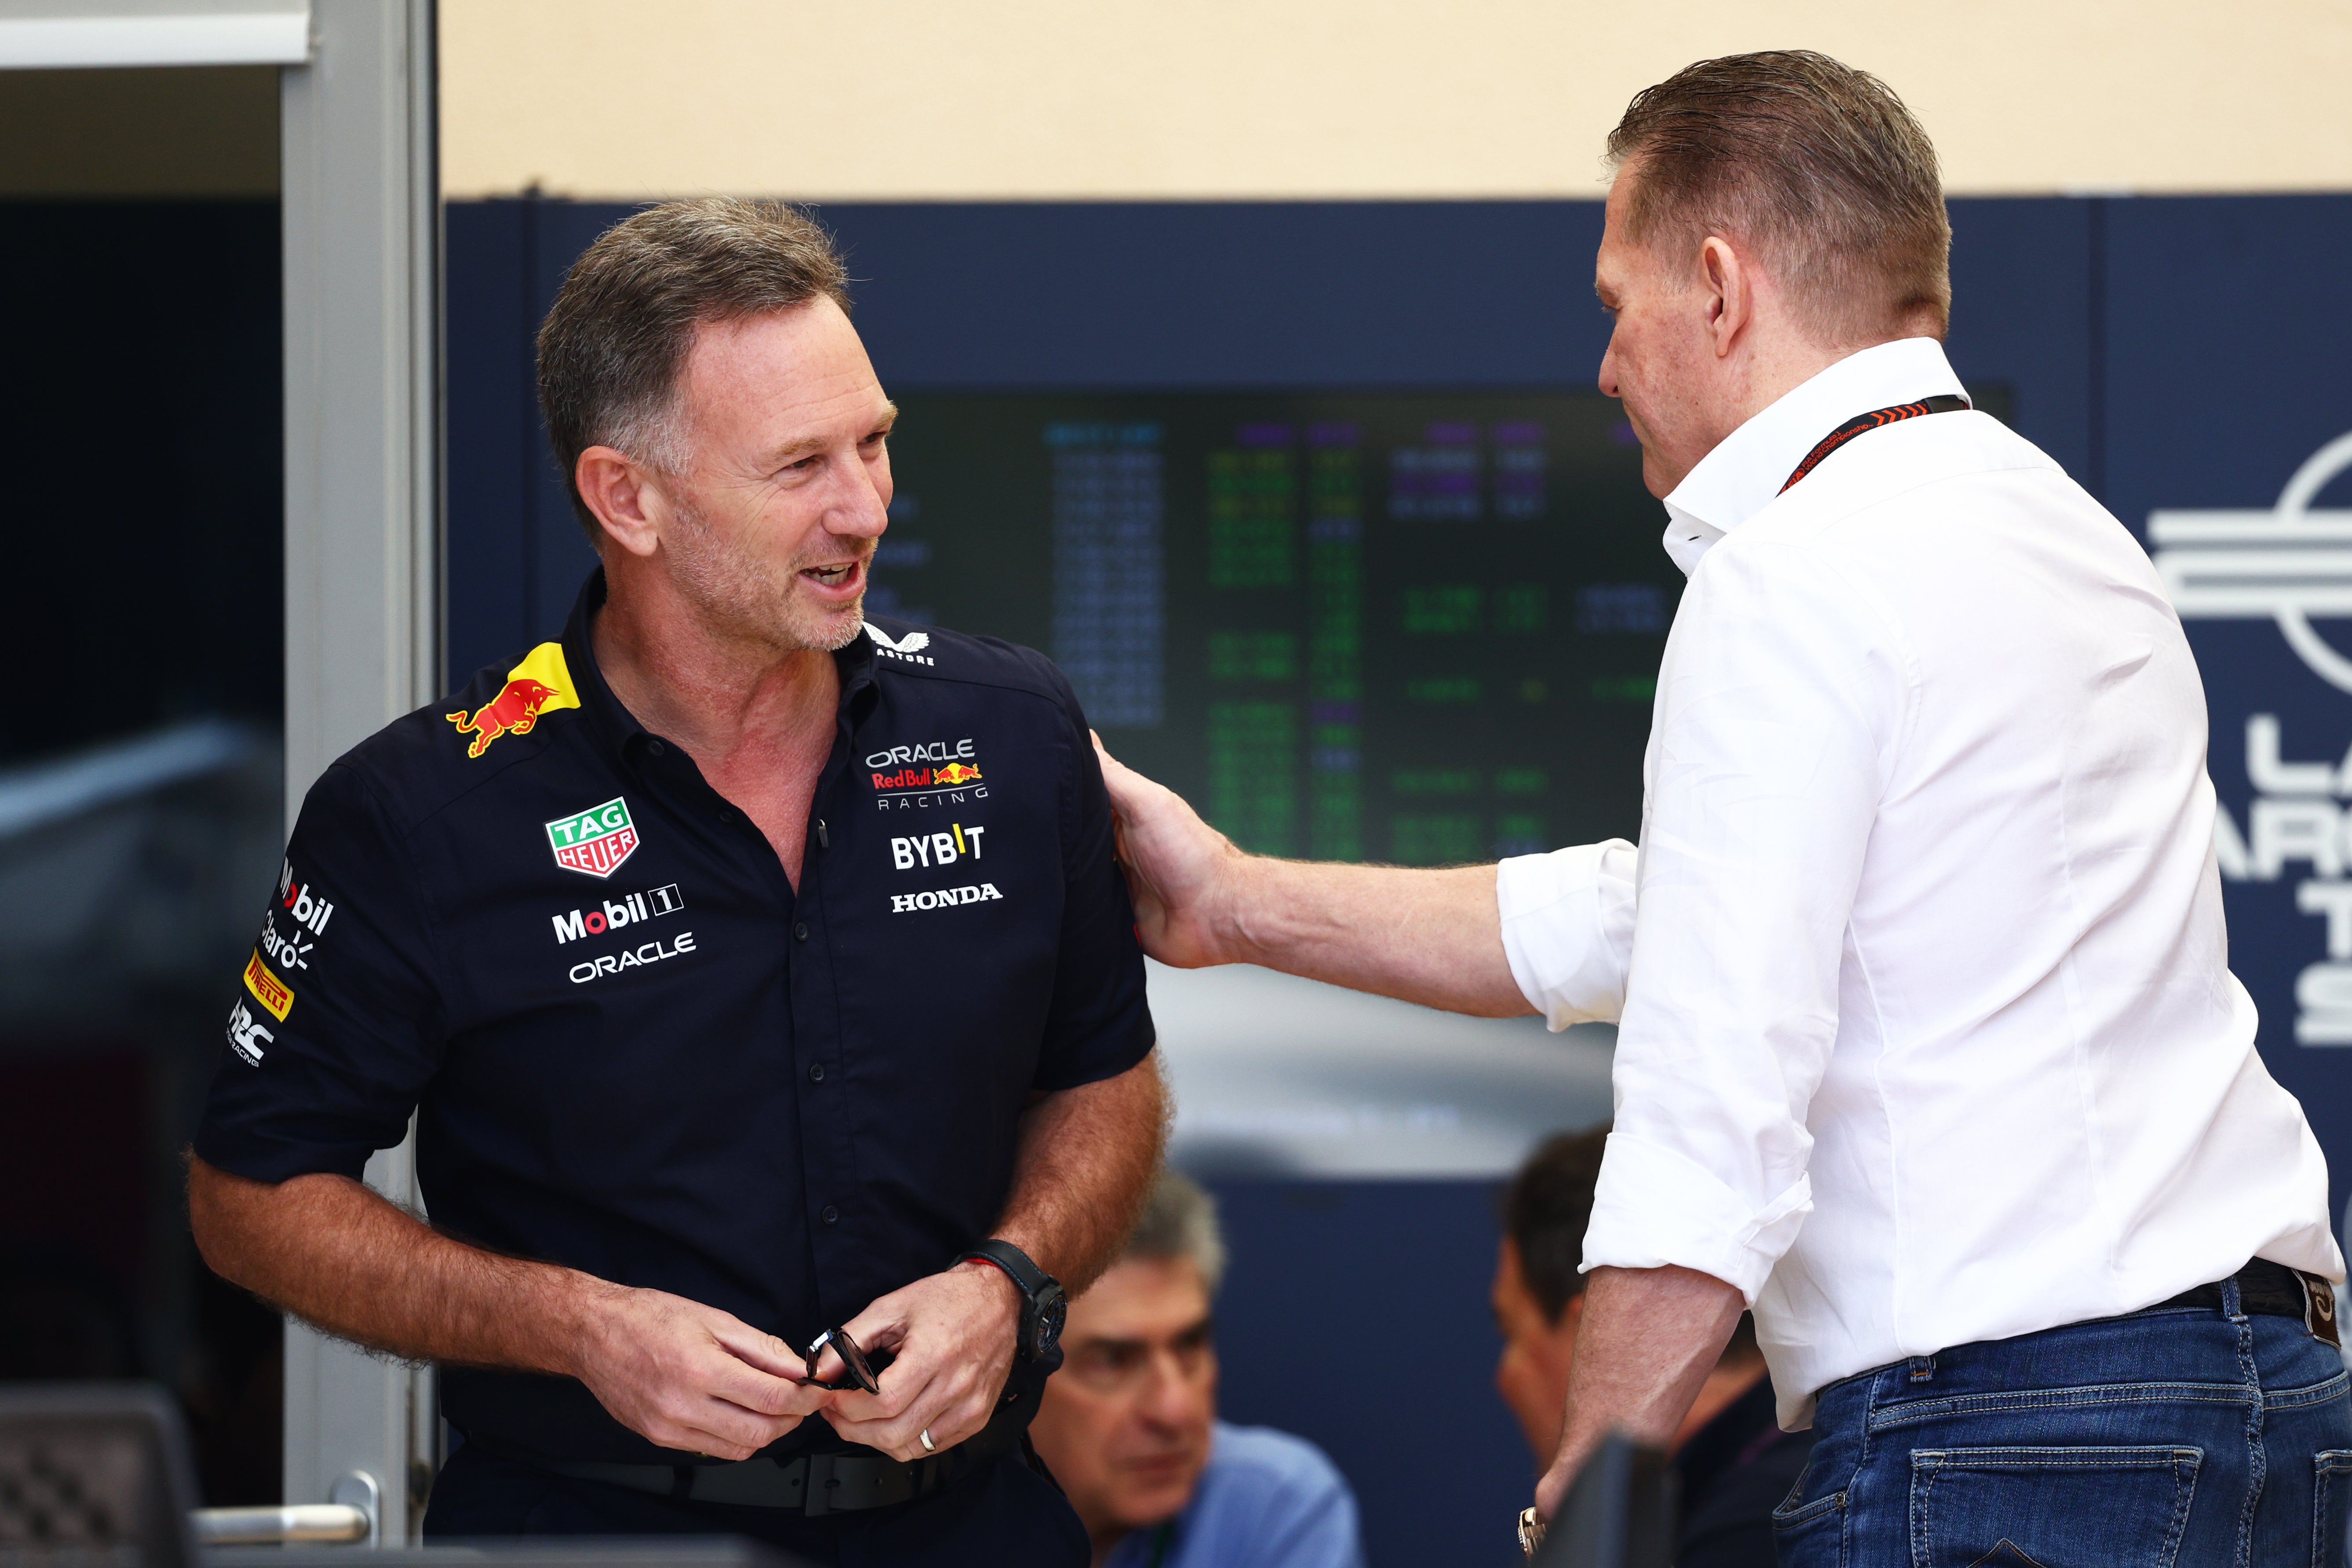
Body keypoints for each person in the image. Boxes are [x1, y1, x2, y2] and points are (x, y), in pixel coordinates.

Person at [1096, 50, 2352, 1567]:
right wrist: (1230, 899)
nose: (1607, 365)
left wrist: (1585, 1498)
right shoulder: (2066, 534)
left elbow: (1711, 1104)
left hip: (2015, 1441)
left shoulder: (1791, 571)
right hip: (2278, 1412)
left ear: (1715, 287)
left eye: (1614, 305)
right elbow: (1676, 907)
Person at [186, 198, 1166, 1566]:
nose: (866, 508)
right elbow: (250, 1194)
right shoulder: (426, 814)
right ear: (626, 498)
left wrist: (1011, 1282)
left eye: (875, 442)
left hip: (974, 1525)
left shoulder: (1011, 732)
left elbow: (1105, 1081)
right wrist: (575, 1327)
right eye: (799, 467)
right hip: (585, 1532)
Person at [1494, 1128, 1807, 1568]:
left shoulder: (1741, 1532)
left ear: (1597, 1334)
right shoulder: (1793, 1469)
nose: (1503, 1376)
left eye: (1512, 1333)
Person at [1028, 1170, 1362, 1568]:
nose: (1176, 1411)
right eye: (1113, 1360)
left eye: (1190, 1345)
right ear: (1007, 1385)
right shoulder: (942, 1528)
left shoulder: (1276, 1503)